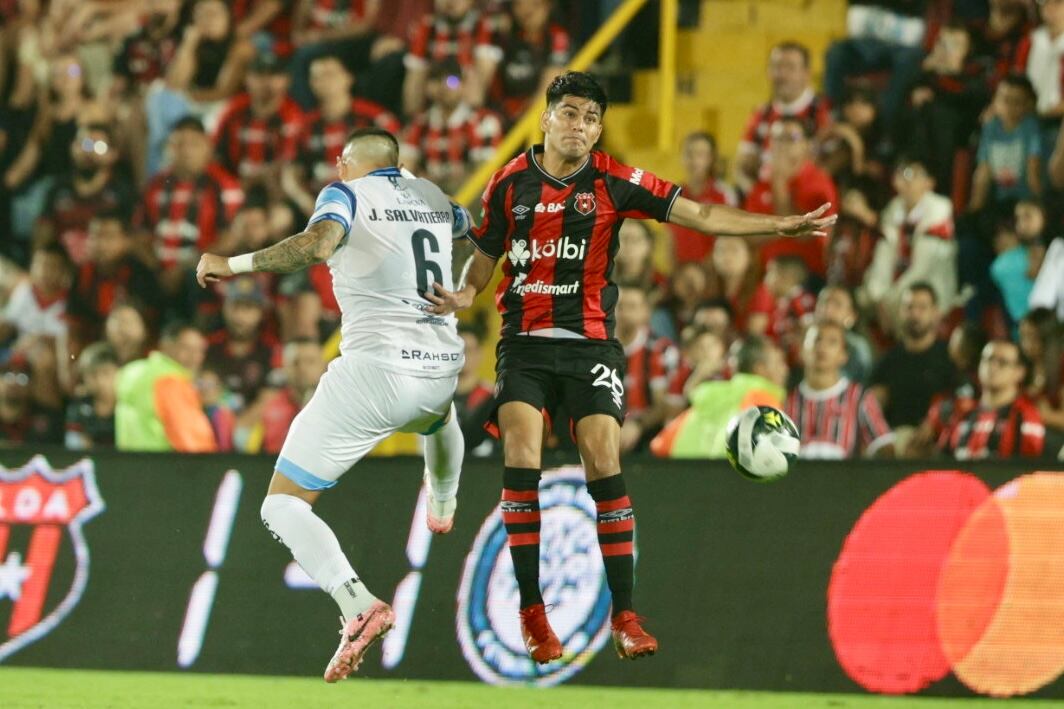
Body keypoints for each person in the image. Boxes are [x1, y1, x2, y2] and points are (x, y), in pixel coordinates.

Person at [423, 71, 835, 663]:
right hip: (526, 344)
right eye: (569, 114)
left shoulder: (614, 179)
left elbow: (701, 215)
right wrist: (463, 297)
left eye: (591, 118)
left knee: (604, 457)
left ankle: (625, 616)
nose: (580, 127)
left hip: (591, 344)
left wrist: (780, 225)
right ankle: (533, 612)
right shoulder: (508, 183)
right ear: (545, 118)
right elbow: (485, 256)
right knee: (521, 450)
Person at [194, 127, 472, 682]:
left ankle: (356, 603)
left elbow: (316, 246)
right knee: (439, 418)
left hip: (375, 374)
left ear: (346, 161)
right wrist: (467, 287)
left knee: (282, 505)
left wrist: (235, 263)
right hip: (441, 370)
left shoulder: (344, 193)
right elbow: (476, 228)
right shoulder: (433, 197)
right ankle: (442, 501)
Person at [651, 335, 783, 458]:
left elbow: (659, 445)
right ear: (760, 368)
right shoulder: (764, 401)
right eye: (779, 362)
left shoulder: (708, 397)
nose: (784, 369)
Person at [785, 320, 894, 459]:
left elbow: (883, 445)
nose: (822, 347)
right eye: (816, 339)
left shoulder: (859, 398)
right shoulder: (788, 401)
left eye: (832, 342)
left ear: (843, 356)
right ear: (801, 351)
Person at [114, 320, 217, 452]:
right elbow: (190, 441)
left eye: (200, 350)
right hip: (162, 465)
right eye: (186, 348)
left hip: (127, 464)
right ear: (166, 346)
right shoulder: (171, 381)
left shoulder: (131, 370)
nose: (195, 357)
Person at [933, 340, 1045, 459]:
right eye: (988, 359)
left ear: (1019, 372)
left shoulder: (1025, 416)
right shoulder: (962, 413)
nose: (992, 366)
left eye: (1002, 362)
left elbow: (1029, 469)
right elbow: (942, 460)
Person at [868, 282, 958, 430]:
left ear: (936, 313)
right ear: (900, 312)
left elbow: (960, 401)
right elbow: (870, 407)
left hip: (938, 441)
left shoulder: (950, 358)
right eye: (909, 307)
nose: (915, 314)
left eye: (922, 307)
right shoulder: (887, 361)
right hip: (895, 442)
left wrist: (935, 423)